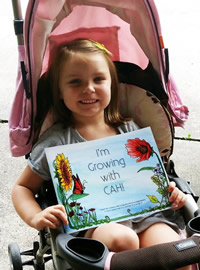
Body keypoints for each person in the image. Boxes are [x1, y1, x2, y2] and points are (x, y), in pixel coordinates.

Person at [12, 39, 190, 270]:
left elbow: (152, 177)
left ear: (111, 84)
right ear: (60, 91)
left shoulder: (130, 130)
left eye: (98, 79)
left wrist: (171, 192)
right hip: (98, 225)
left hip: (149, 217)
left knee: (174, 253)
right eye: (75, 82)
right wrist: (35, 216)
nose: (89, 88)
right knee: (123, 240)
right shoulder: (56, 143)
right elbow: (22, 188)